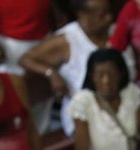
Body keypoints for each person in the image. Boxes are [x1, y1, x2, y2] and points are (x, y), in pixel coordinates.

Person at [18, 0, 115, 136]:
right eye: (102, 15)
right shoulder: (67, 40)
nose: (109, 18)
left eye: (109, 11)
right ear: (83, 15)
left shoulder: (115, 29)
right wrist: (51, 73)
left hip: (117, 107)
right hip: (85, 118)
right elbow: (25, 59)